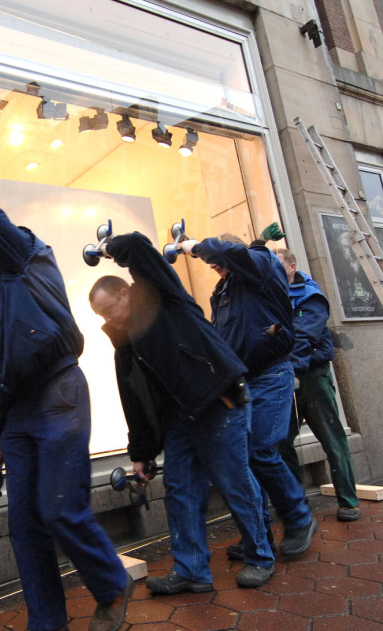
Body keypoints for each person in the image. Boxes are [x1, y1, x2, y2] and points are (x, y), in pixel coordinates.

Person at [0, 199, 133, 631]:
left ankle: (112, 586)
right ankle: (47, 623)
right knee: (25, 523)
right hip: (18, 412)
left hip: (57, 393)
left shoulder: (24, 259)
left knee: (59, 508)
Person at [88, 232, 276, 592]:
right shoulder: (123, 344)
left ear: (126, 292)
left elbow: (138, 246)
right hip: (181, 416)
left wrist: (106, 248)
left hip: (218, 399)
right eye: (100, 314)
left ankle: (261, 557)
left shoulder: (162, 294)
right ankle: (192, 570)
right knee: (179, 487)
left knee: (234, 480)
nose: (107, 317)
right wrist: (141, 454)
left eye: (109, 308)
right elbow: (135, 403)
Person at [181, 232, 318, 560]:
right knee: (242, 460)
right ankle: (260, 537)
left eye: (217, 259)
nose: (213, 265)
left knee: (260, 450)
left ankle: (299, 518)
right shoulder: (224, 291)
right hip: (243, 382)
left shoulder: (262, 264)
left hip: (270, 375)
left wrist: (195, 246)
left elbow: (233, 255)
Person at [275, 247, 361, 521]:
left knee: (331, 437)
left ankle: (348, 501)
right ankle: (297, 506)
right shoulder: (273, 295)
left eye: (280, 266)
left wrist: (288, 367)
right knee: (281, 441)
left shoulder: (311, 295)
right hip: (285, 375)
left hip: (312, 375)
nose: (275, 272)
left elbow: (303, 336)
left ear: (292, 267)